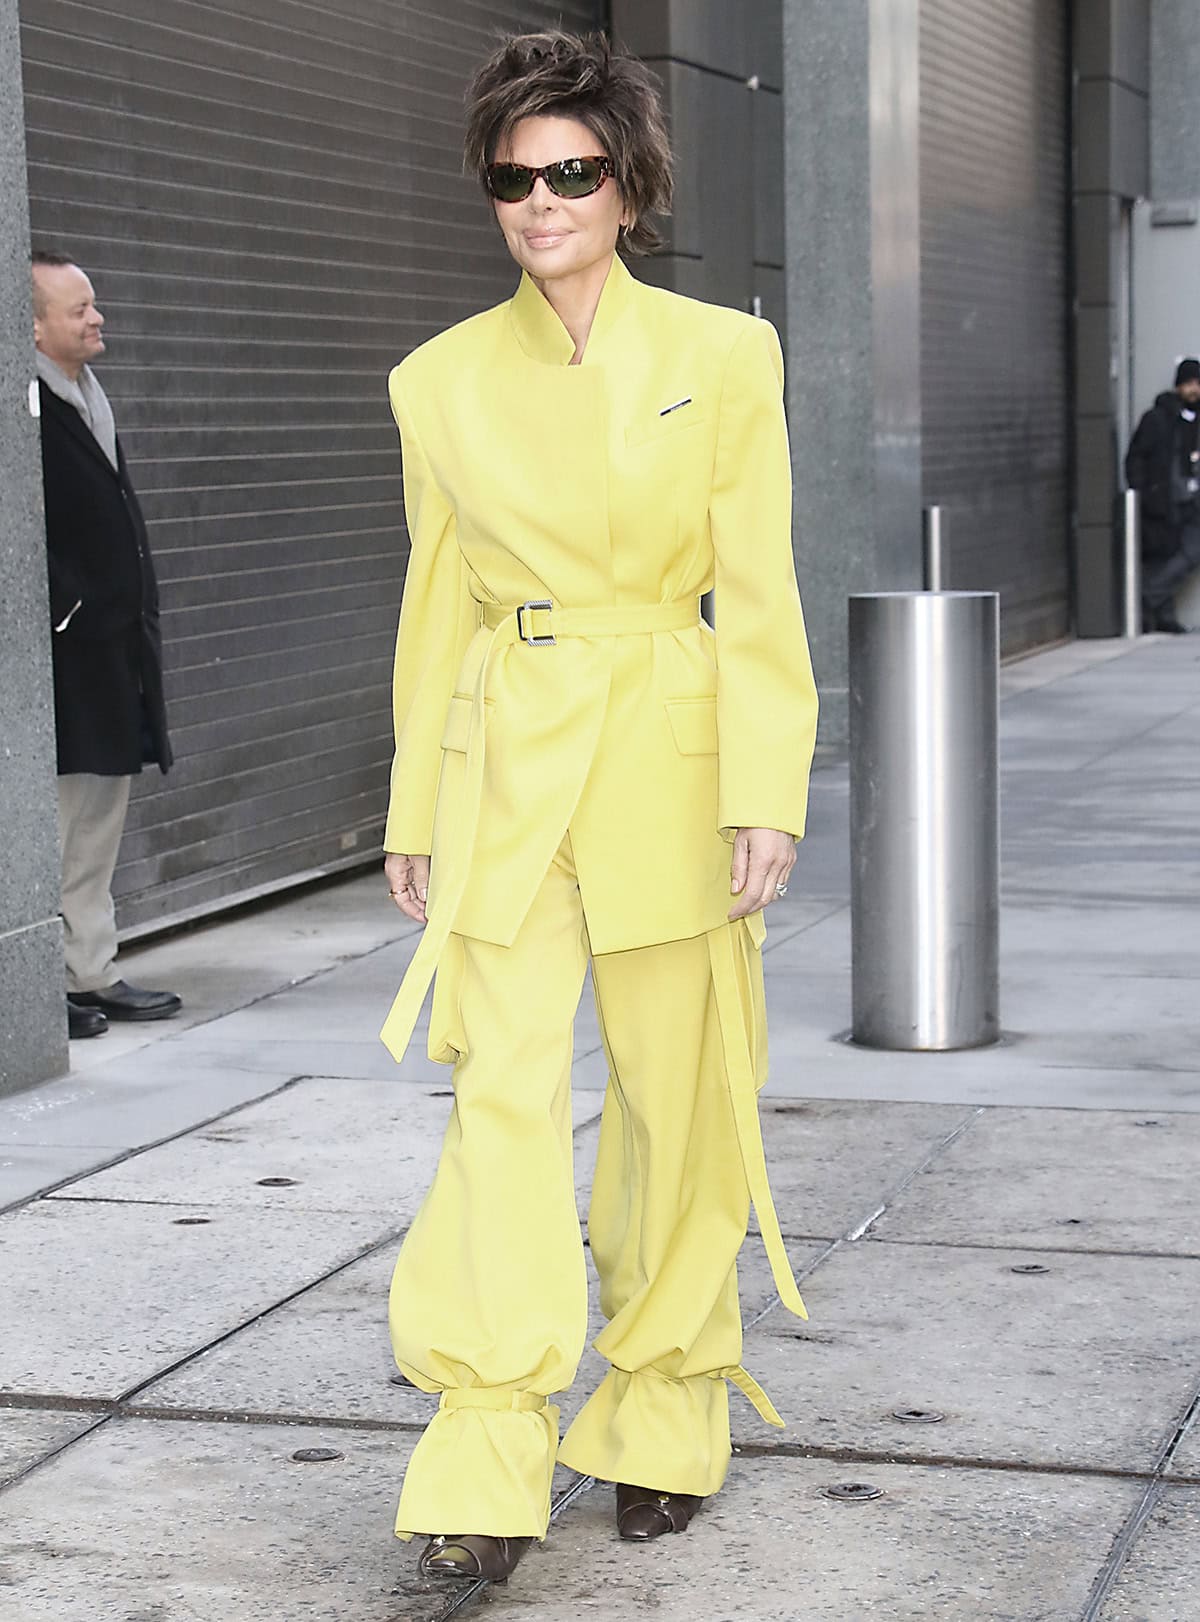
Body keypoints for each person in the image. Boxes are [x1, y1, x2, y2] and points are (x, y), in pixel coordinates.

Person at [378, 31, 819, 1585]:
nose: (541, 199)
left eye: (571, 171)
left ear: (630, 185)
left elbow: (757, 590)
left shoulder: (724, 355)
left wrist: (769, 785)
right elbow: (437, 606)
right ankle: (485, 1445)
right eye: (513, 176)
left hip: (674, 755)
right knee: (498, 1095)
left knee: (674, 1094)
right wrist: (412, 801)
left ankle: (657, 1411)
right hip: (509, 763)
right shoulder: (436, 381)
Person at [32, 251, 181, 1039]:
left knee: (97, 821)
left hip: (111, 654)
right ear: (31, 323)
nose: (97, 318)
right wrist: (67, 610)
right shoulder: (23, 403)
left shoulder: (86, 392)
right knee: (48, 827)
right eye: (79, 308)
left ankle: (89, 972)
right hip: (60, 658)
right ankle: (37, 989)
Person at [1125, 357, 1200, 634]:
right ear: (1179, 385)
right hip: (1163, 501)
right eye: (1189, 383)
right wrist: (1144, 492)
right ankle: (1161, 614)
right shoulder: (1158, 418)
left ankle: (1148, 596)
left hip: (1191, 502)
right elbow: (1136, 458)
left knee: (1188, 554)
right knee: (1162, 557)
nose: (1194, 389)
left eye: (1197, 384)